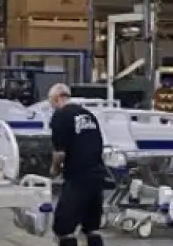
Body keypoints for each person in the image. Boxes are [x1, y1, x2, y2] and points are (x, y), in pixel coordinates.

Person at [47, 83, 106, 246]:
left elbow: (59, 152)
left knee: (63, 228)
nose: (51, 107)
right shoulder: (88, 115)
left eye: (51, 102)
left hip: (77, 177)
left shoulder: (61, 115)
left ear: (57, 98)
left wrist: (54, 169)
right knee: (92, 228)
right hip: (97, 176)